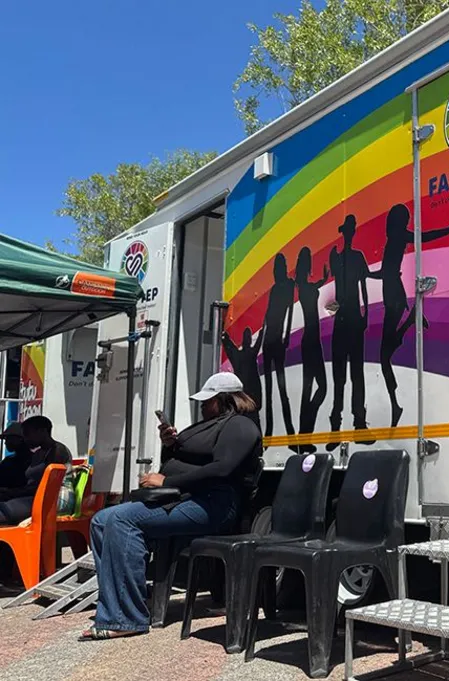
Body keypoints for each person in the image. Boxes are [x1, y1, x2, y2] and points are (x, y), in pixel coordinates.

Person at [81, 372, 261, 640]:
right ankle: (122, 600)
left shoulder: (240, 426)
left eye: (206, 400)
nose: (202, 405)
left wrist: (168, 480)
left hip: (214, 505)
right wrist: (170, 445)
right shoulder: (211, 424)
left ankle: (126, 618)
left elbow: (222, 469)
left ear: (223, 400)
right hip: (187, 499)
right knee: (101, 520)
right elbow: (185, 458)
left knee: (122, 520)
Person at [371, 204, 449, 427]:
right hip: (391, 290)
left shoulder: (398, 237)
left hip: (393, 292)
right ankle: (411, 319)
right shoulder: (394, 239)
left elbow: (426, 237)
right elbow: (385, 272)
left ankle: (395, 406)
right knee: (385, 353)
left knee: (384, 356)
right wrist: (365, 273)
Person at [327, 215, 373, 446]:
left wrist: (366, 313)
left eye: (351, 230)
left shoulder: (355, 257)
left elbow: (364, 285)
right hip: (345, 318)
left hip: (353, 317)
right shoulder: (339, 257)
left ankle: (359, 423)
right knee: (340, 376)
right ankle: (336, 426)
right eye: (348, 230)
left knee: (356, 374)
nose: (350, 233)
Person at [0, 417, 72, 526]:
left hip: (52, 501)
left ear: (42, 431)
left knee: (3, 511)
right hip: (34, 498)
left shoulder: (57, 451)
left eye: (27, 434)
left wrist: (12, 493)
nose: (25, 438)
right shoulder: (38, 454)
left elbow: (48, 486)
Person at [295, 247, 329, 451]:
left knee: (316, 389)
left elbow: (315, 285)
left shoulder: (304, 285)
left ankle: (304, 434)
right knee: (314, 389)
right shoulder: (303, 285)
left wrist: (324, 279)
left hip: (312, 340)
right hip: (310, 341)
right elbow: (312, 287)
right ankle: (304, 436)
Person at [263, 254, 297, 439]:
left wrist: (286, 336)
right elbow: (268, 314)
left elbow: (291, 311)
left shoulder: (288, 285)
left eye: (279, 267)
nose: (277, 271)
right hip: (269, 339)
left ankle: (290, 431)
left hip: (278, 339)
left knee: (282, 387)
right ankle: (268, 431)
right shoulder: (275, 288)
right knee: (268, 389)